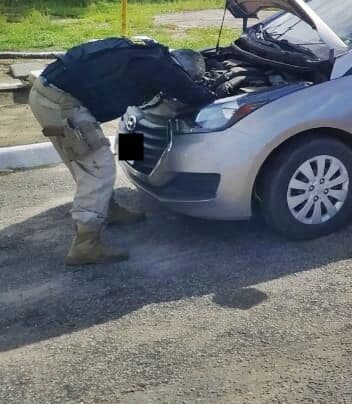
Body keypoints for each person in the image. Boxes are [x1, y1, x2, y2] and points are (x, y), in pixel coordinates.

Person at [29, 37, 218, 267]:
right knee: (98, 168)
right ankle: (85, 245)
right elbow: (194, 95)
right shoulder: (165, 69)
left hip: (48, 91)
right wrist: (214, 95)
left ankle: (108, 210)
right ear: (184, 70)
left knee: (84, 162)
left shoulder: (150, 52)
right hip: (61, 103)